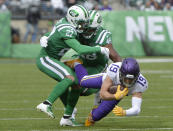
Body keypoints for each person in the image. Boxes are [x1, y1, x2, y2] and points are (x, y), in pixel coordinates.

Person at [36, 4, 110, 126]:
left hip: (54, 59)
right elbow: (79, 49)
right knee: (69, 77)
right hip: (47, 59)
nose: (83, 25)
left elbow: (55, 31)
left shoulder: (67, 24)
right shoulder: (68, 29)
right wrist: (99, 49)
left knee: (75, 83)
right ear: (72, 19)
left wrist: (46, 35)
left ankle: (67, 117)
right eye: (81, 22)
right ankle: (46, 104)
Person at [61, 10, 121, 126]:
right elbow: (59, 33)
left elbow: (113, 55)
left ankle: (100, 91)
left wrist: (123, 70)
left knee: (82, 88)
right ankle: (70, 112)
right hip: (82, 62)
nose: (87, 30)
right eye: (86, 27)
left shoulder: (102, 35)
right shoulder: (77, 30)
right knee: (63, 82)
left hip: (97, 65)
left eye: (91, 29)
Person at [65, 57, 148, 126]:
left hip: (117, 92)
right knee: (83, 81)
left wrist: (124, 112)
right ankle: (77, 63)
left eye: (131, 80)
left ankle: (94, 112)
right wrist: (115, 96)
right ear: (120, 73)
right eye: (126, 78)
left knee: (95, 117)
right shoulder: (114, 70)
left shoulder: (140, 83)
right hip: (105, 82)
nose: (128, 82)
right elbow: (103, 94)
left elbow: (136, 109)